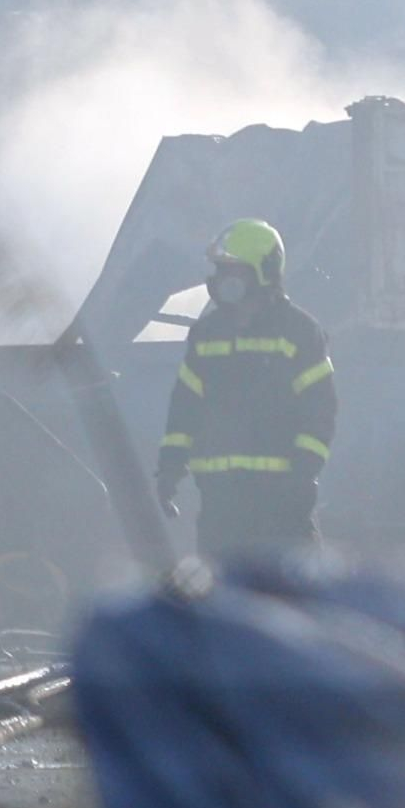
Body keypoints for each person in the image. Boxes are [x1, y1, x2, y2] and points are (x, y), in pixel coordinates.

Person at [155, 219, 338, 557]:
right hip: (220, 508)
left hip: (283, 509)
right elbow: (184, 409)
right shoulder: (207, 334)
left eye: (232, 270)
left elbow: (320, 412)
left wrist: (301, 475)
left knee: (288, 599)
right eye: (219, 270)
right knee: (223, 602)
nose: (220, 280)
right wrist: (169, 470)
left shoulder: (299, 333)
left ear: (263, 272)